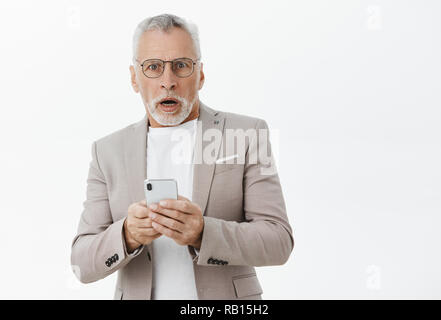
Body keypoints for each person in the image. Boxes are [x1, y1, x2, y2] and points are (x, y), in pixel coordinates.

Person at [71, 13, 294, 300]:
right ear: (134, 78)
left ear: (200, 73)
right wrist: (127, 235)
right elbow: (81, 264)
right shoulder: (107, 151)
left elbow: (278, 241)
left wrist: (204, 232)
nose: (168, 81)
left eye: (181, 66)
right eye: (153, 67)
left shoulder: (248, 134)